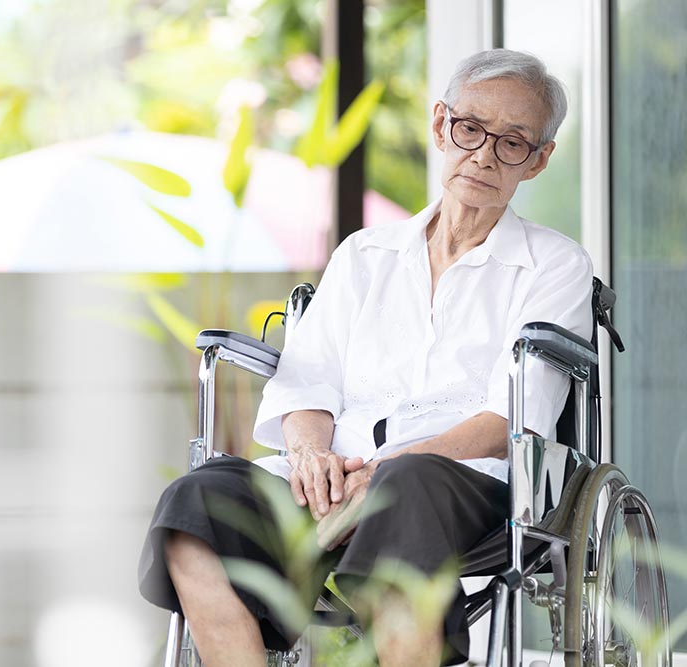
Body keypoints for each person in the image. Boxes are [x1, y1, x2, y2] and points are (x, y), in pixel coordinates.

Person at [139, 49, 593, 667]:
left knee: (404, 486)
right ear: (440, 126)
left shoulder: (555, 265)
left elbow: (511, 421)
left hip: (465, 484)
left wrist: (380, 473)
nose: (484, 155)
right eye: (470, 129)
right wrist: (311, 458)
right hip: (335, 478)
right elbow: (306, 386)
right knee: (195, 504)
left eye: (513, 143)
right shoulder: (365, 255)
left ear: (539, 160)